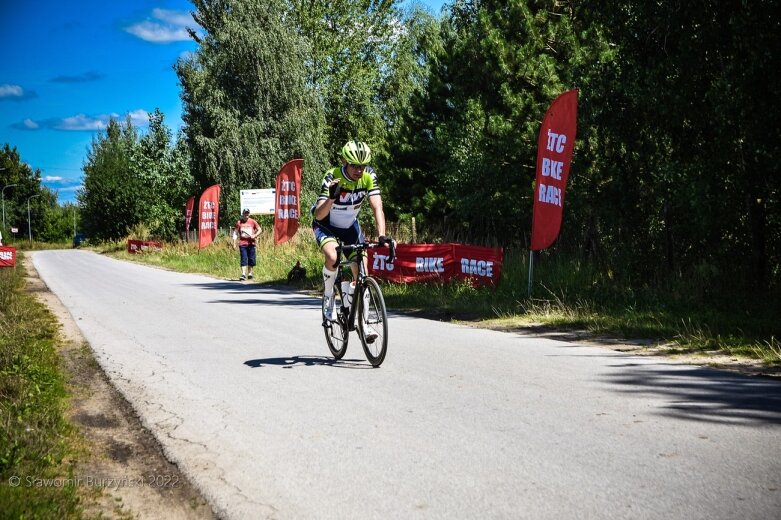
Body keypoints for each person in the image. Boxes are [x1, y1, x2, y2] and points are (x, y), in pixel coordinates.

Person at [312, 140, 392, 326]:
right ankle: (329, 296)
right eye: (355, 166)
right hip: (326, 225)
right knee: (333, 257)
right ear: (345, 162)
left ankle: (363, 322)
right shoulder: (333, 176)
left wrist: (382, 235)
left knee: (362, 269)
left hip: (349, 226)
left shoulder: (368, 176)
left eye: (362, 166)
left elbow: (377, 206)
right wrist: (332, 198)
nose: (359, 170)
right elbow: (319, 213)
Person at [232, 208, 261, 281]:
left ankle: (250, 273)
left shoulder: (253, 222)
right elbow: (235, 233)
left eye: (247, 213)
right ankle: (243, 274)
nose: (246, 214)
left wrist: (255, 235)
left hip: (251, 243)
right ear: (243, 214)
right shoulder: (239, 223)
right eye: (245, 213)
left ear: (249, 214)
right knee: (244, 258)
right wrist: (234, 243)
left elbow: (260, 229)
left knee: (251, 259)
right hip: (243, 244)